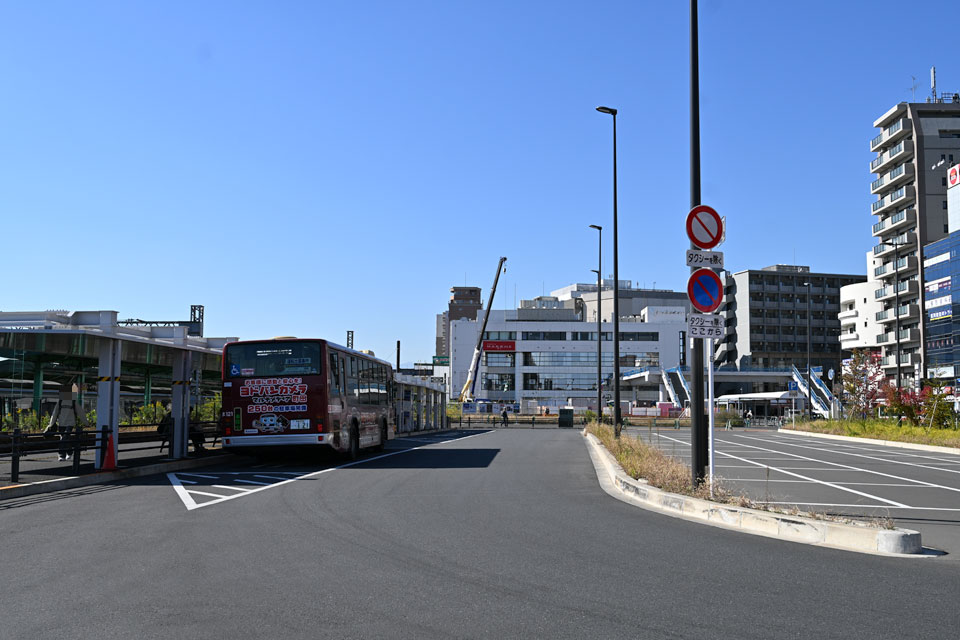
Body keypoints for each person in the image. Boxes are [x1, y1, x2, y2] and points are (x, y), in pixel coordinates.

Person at [44, 385, 86, 462]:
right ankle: (70, 452)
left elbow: (80, 412)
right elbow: (55, 413)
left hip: (70, 423)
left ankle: (61, 455)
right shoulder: (60, 402)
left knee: (64, 438)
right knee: (65, 438)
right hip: (61, 423)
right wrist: (51, 424)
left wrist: (86, 422)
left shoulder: (73, 402)